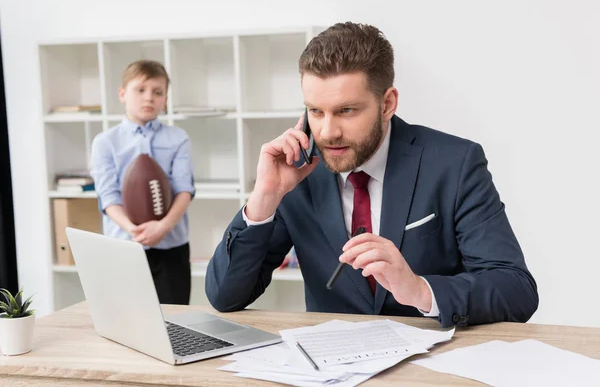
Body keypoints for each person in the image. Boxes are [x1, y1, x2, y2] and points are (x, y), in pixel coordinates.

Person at [205, 22, 538, 327]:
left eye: (346, 110)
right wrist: (263, 199)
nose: (328, 131)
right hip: (332, 368)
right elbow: (225, 296)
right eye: (315, 111)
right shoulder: (297, 171)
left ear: (387, 103)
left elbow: (516, 289)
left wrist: (421, 290)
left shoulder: (454, 163)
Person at [90, 60, 195, 305]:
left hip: (172, 246)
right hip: (123, 248)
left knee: (174, 320)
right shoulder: (105, 142)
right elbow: (108, 196)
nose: (149, 98)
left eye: (157, 92)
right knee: (126, 320)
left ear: (165, 99)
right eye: (141, 90)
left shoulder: (179, 138)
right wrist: (133, 230)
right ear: (123, 93)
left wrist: (163, 227)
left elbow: (184, 189)